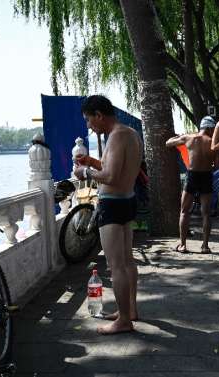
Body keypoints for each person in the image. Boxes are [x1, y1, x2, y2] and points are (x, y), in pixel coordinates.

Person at [74, 95, 143, 335]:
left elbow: (111, 176)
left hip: (112, 205)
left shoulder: (115, 136)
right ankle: (130, 311)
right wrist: (94, 161)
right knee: (127, 261)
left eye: (89, 120)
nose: (89, 126)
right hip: (127, 200)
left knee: (116, 266)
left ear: (99, 115)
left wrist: (86, 171)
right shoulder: (130, 133)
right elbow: (119, 169)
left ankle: (124, 320)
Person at [165, 116, 216, 254]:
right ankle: (205, 246)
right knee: (206, 213)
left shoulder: (189, 138)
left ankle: (182, 245)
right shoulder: (213, 142)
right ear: (210, 128)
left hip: (192, 176)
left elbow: (168, 143)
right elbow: (216, 164)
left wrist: (179, 137)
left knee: (184, 211)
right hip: (206, 176)